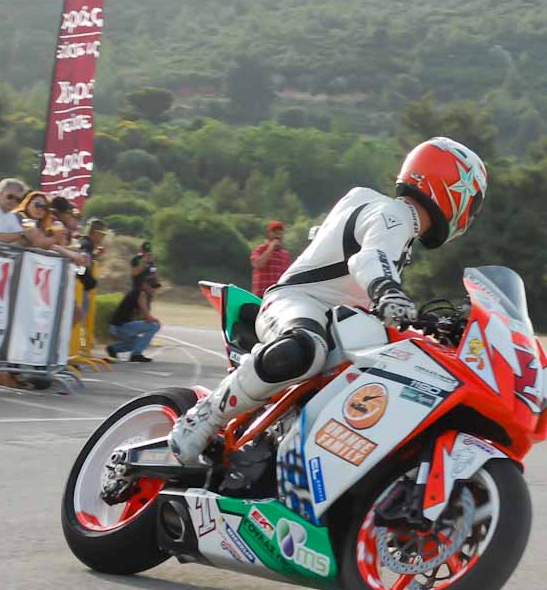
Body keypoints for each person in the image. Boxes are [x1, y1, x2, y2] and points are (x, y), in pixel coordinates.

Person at [169, 136, 487, 463]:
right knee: (306, 348)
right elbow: (368, 260)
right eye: (472, 203)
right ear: (452, 189)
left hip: (339, 322)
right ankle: (205, 416)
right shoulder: (394, 215)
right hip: (297, 301)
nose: (471, 215)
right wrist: (388, 291)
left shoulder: (393, 224)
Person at [107, 273, 161, 363]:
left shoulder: (137, 293)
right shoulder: (141, 293)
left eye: (156, 287)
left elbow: (142, 317)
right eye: (152, 286)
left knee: (139, 342)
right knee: (155, 325)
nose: (154, 289)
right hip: (121, 326)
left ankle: (113, 349)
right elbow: (147, 317)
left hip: (116, 327)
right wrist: (155, 320)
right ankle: (136, 354)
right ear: (144, 285)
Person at [250, 220, 292, 297]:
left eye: (280, 233)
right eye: (275, 232)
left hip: (277, 295)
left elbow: (287, 276)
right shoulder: (260, 249)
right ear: (268, 234)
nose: (277, 236)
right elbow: (257, 264)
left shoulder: (284, 255)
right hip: (261, 295)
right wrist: (271, 248)